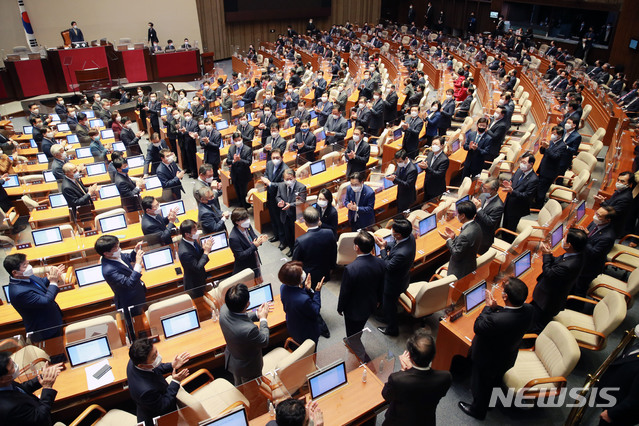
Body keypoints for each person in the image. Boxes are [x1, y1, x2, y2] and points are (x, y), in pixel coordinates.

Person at [458, 277, 534, 420]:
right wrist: (496, 308)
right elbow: (509, 317)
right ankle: (490, 403)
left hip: (487, 359)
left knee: (481, 385)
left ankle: (477, 411)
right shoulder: (529, 309)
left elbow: (478, 327)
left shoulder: (497, 320)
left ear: (505, 296)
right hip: (507, 356)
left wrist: (487, 307)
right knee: (494, 382)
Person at [382, 329, 452, 426]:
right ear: (433, 355)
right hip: (426, 421)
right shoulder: (445, 377)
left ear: (409, 356)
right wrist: (410, 372)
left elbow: (386, 395)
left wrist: (404, 371)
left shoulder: (397, 379)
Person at [338, 231, 385, 360]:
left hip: (353, 309)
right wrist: (379, 300)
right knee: (358, 328)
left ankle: (363, 357)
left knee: (352, 333)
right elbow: (382, 285)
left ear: (356, 247)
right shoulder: (381, 263)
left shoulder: (351, 269)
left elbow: (345, 292)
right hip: (370, 304)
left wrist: (340, 308)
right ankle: (353, 339)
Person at [530, 228, 587, 333]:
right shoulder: (577, 254)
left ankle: (532, 341)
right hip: (554, 293)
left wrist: (546, 255)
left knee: (538, 323)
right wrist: (549, 254)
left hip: (548, 300)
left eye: (564, 238)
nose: (562, 239)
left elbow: (549, 274)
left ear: (569, 245)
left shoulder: (568, 265)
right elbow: (557, 262)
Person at [127, 338, 190, 426]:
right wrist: (176, 381)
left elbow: (153, 368)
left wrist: (172, 365)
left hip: (149, 403)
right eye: (154, 357)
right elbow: (164, 406)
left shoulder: (134, 360)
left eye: (156, 352)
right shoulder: (145, 391)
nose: (158, 356)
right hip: (160, 419)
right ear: (141, 365)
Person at [3, 254, 64, 342]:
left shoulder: (26, 276)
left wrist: (51, 277)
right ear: (15, 273)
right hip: (44, 330)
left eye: (27, 263)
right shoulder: (19, 293)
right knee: (56, 353)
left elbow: (41, 282)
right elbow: (46, 301)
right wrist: (53, 282)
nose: (29, 267)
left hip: (53, 321)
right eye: (25, 265)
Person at [219, 283, 270, 384]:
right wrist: (263, 318)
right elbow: (264, 340)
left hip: (233, 359)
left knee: (238, 383)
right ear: (248, 304)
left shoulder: (224, 309)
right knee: (253, 389)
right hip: (249, 367)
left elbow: (238, 318)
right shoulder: (250, 330)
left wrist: (257, 314)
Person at [95, 235, 146, 334]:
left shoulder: (116, 255)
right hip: (129, 302)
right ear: (106, 253)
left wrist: (135, 251)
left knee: (141, 318)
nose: (119, 249)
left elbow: (127, 259)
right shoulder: (108, 270)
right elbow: (129, 283)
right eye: (116, 248)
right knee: (135, 327)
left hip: (138, 294)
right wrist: (138, 264)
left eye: (118, 246)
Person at [374, 219, 416, 336]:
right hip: (402, 277)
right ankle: (386, 317)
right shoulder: (409, 236)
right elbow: (396, 244)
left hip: (394, 283)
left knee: (390, 305)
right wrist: (386, 245)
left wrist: (382, 249)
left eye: (393, 230)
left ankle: (392, 329)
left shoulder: (402, 253)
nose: (391, 231)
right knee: (388, 304)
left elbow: (388, 266)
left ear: (398, 234)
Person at [0, 351, 63, 426]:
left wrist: (43, 377)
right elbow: (40, 417)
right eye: (12, 367)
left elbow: (22, 388)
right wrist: (47, 388)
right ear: (2, 379)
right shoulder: (8, 408)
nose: (16, 367)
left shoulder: (5, 383)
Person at [595, 325, 639, 425]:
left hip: (619, 412)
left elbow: (635, 400)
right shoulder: (637, 346)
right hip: (615, 395)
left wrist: (611, 414)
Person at [278, 260, 324, 345]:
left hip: (293, 325)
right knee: (310, 352)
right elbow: (315, 311)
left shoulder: (283, 287)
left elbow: (298, 295)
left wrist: (306, 289)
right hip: (307, 332)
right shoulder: (303, 299)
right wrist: (317, 292)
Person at [440, 201, 482, 279]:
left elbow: (456, 254)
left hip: (460, 271)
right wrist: (454, 237)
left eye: (457, 213)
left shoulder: (465, 235)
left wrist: (448, 239)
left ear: (463, 216)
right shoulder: (476, 226)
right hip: (470, 264)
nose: (456, 215)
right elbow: (466, 244)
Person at [502, 152, 538, 232]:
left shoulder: (533, 179)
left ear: (531, 164)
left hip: (517, 207)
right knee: (505, 222)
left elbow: (527, 196)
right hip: (509, 202)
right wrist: (509, 184)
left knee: (511, 227)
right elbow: (512, 180)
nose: (521, 164)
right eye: (521, 162)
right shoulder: (519, 171)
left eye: (524, 162)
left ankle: (508, 241)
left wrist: (512, 191)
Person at [178, 220, 215, 298]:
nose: (197, 231)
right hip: (194, 284)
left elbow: (197, 256)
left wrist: (203, 249)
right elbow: (197, 267)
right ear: (187, 234)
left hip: (200, 278)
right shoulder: (185, 252)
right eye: (194, 230)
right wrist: (206, 252)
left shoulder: (192, 240)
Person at [229, 208, 268, 277]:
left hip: (255, 260)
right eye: (244, 219)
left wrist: (260, 240)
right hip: (246, 266)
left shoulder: (248, 226)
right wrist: (254, 245)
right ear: (237, 222)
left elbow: (254, 237)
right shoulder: (234, 237)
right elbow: (241, 256)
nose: (247, 220)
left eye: (247, 218)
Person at [277, 169, 308, 256]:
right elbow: (278, 196)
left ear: (294, 177)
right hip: (284, 215)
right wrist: (279, 202)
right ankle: (291, 249)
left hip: (296, 215)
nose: (288, 181)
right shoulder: (281, 185)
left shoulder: (301, 187)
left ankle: (298, 252)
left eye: (290, 179)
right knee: (288, 235)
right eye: (286, 179)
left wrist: (290, 204)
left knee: (296, 236)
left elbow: (302, 200)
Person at [260, 149, 287, 246]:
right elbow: (266, 174)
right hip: (270, 195)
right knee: (273, 217)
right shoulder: (269, 164)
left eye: (277, 158)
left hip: (279, 197)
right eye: (273, 158)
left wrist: (270, 183)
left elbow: (283, 184)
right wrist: (266, 180)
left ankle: (283, 241)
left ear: (282, 158)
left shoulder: (285, 169)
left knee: (280, 220)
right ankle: (276, 235)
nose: (275, 159)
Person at [595, 171, 635, 237]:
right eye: (618, 180)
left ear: (629, 184)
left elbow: (613, 213)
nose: (618, 182)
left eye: (622, 181)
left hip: (613, 226)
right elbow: (611, 203)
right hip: (609, 219)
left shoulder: (626, 198)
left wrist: (602, 202)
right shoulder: (620, 191)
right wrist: (603, 200)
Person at [536, 125, 567, 207]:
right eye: (552, 133)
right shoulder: (551, 142)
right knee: (539, 187)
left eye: (554, 133)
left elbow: (555, 157)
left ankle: (538, 207)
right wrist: (543, 146)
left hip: (549, 172)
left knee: (542, 190)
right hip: (543, 168)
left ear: (560, 135)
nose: (552, 135)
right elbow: (542, 152)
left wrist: (547, 148)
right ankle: (536, 203)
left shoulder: (562, 146)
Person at [472, 179, 504, 254]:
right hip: (475, 229)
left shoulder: (498, 206)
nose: (483, 190)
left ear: (494, 190)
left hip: (483, 237)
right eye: (482, 187)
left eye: (485, 189)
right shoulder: (483, 196)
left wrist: (479, 209)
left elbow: (490, 222)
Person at [226, 132, 253, 209]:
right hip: (234, 174)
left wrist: (240, 160)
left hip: (244, 175)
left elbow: (249, 162)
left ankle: (245, 207)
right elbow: (228, 161)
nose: (238, 141)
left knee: (243, 192)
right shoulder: (231, 148)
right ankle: (240, 205)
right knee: (237, 192)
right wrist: (233, 161)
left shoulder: (247, 149)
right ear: (233, 141)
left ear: (242, 139)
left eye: (239, 139)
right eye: (236, 140)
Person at [419, 137, 449, 202]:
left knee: (431, 207)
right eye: (433, 144)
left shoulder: (444, 160)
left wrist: (427, 168)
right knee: (425, 203)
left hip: (436, 188)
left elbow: (439, 174)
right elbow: (426, 164)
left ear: (442, 146)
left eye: (436, 144)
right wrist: (422, 165)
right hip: (427, 185)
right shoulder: (430, 154)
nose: (434, 146)